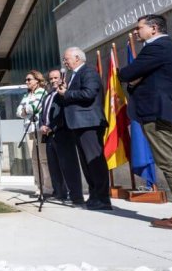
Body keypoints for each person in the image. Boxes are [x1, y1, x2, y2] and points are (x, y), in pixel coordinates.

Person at [119, 14, 172, 231]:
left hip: (159, 113)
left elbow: (127, 73)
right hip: (157, 112)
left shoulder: (159, 46)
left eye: (139, 28)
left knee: (170, 162)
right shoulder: (159, 48)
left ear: (154, 28)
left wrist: (132, 76)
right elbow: (134, 77)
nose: (136, 32)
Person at [56, 47, 112, 211]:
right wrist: (62, 92)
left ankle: (103, 198)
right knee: (86, 164)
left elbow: (89, 94)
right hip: (77, 124)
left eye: (67, 58)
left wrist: (67, 93)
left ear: (77, 58)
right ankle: (94, 196)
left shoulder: (88, 72)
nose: (65, 62)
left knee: (95, 162)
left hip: (89, 124)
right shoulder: (72, 76)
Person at [40, 68, 84, 204]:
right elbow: (44, 114)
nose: (53, 81)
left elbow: (63, 114)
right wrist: (42, 124)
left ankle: (76, 196)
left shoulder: (63, 94)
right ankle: (59, 193)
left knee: (69, 165)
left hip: (62, 133)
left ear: (62, 78)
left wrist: (51, 126)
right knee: (54, 166)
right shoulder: (47, 96)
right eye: (51, 78)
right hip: (48, 136)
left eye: (56, 78)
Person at [17, 70, 49, 195]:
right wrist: (25, 110)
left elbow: (36, 107)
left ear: (37, 80)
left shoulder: (42, 92)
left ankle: (48, 186)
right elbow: (18, 111)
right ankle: (39, 186)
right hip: (29, 129)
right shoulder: (26, 95)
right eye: (26, 80)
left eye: (29, 79)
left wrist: (25, 110)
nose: (27, 82)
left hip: (39, 129)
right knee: (34, 159)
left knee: (43, 159)